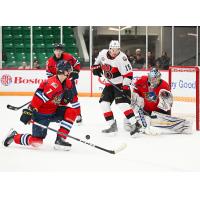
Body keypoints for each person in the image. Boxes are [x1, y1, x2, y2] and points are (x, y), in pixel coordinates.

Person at [3, 60, 77, 151]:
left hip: (54, 111)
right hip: (41, 115)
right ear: (63, 71)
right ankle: (14, 136)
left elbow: (58, 101)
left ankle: (60, 139)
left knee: (71, 112)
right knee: (37, 142)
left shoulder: (68, 83)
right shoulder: (52, 85)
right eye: (68, 70)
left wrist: (65, 101)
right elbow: (39, 98)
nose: (70, 72)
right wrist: (29, 111)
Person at [91, 40, 141, 136]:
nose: (114, 52)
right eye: (113, 50)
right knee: (103, 104)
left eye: (117, 50)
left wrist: (125, 87)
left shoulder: (122, 58)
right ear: (109, 49)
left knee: (122, 104)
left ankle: (135, 125)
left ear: (119, 49)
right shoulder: (103, 53)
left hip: (121, 84)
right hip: (109, 85)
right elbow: (96, 64)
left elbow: (129, 74)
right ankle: (112, 126)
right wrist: (95, 68)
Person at [124, 68, 192, 134]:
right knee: (127, 123)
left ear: (159, 78)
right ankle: (148, 123)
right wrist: (135, 97)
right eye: (151, 78)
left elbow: (167, 107)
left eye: (155, 79)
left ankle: (184, 125)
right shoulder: (141, 80)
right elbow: (134, 87)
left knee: (155, 121)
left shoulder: (164, 86)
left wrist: (151, 92)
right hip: (146, 111)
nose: (153, 81)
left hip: (160, 112)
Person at [46, 43, 82, 124]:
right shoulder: (49, 61)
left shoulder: (68, 56)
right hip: (57, 83)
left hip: (68, 81)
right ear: (54, 51)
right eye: (56, 50)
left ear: (62, 51)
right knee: (58, 100)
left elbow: (77, 63)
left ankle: (79, 115)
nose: (58, 52)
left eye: (59, 50)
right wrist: (54, 82)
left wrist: (76, 71)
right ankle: (60, 116)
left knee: (74, 98)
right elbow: (48, 74)